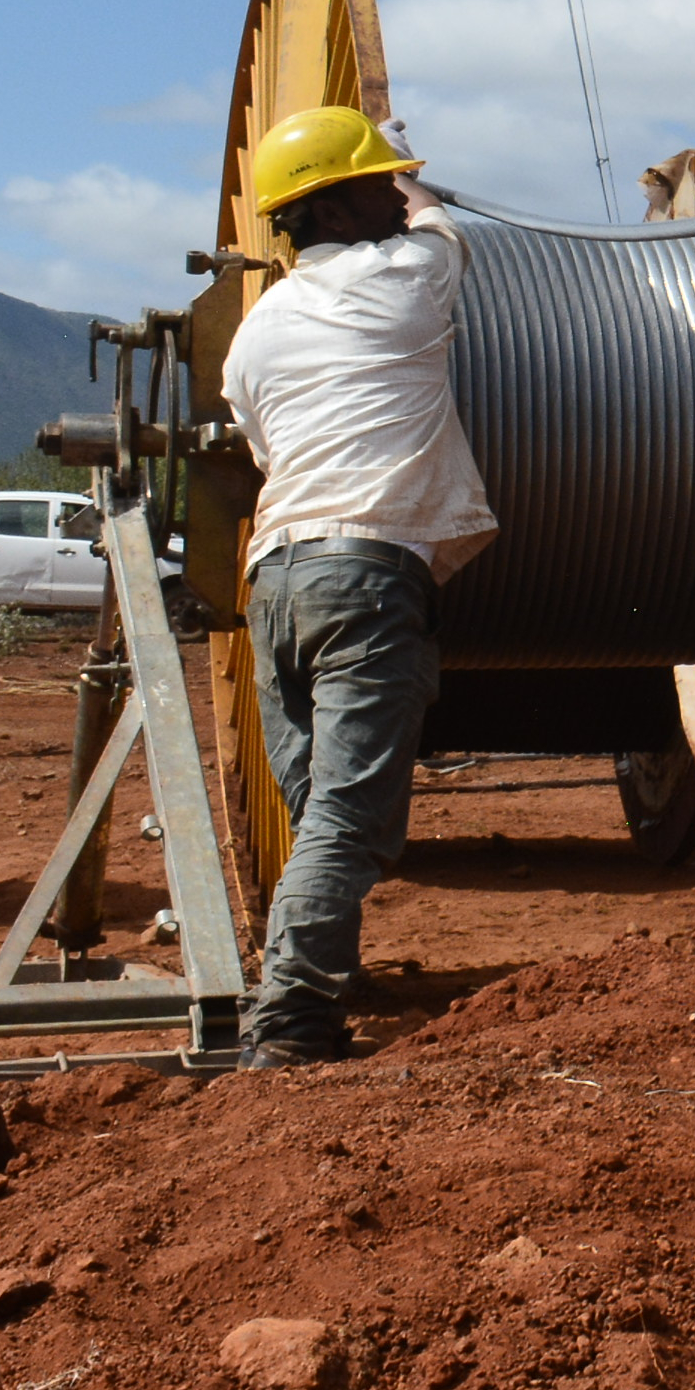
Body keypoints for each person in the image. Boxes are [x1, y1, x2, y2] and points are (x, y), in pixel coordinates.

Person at [219, 104, 498, 1071]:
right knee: (347, 819)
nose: (395, 188)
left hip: (277, 578)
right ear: (336, 208)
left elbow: (267, 450)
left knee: (318, 809)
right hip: (368, 575)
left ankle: (314, 987)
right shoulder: (406, 279)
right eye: (377, 179)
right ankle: (289, 1027)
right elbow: (440, 228)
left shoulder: (252, 337)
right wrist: (416, 181)